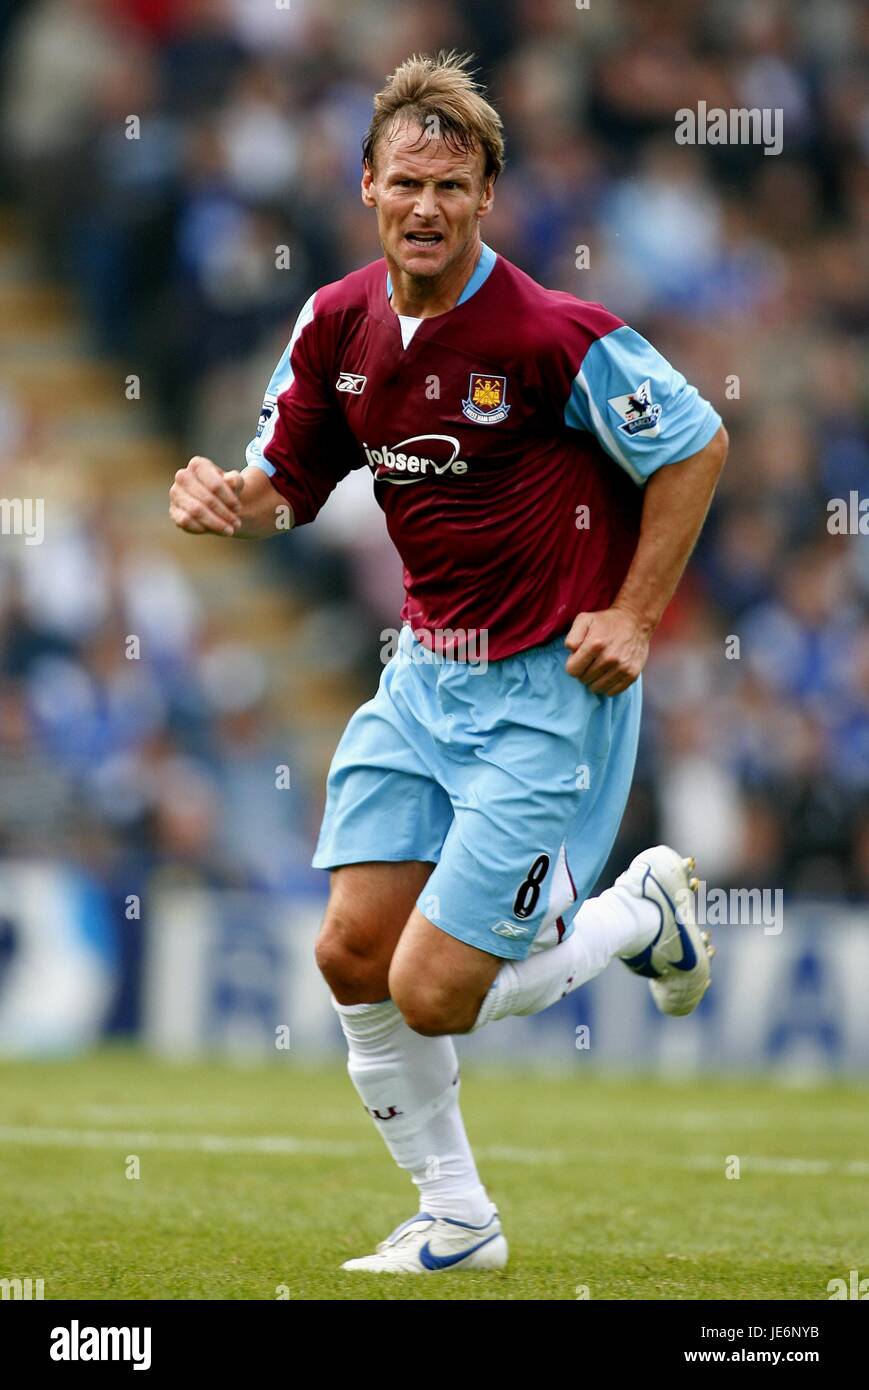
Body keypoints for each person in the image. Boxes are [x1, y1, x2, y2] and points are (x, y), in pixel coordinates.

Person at [170, 51, 728, 1275]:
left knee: (432, 989)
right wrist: (230, 499)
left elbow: (692, 443)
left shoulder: (548, 332)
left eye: (455, 184)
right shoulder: (336, 323)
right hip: (423, 675)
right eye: (406, 180)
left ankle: (637, 912)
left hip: (545, 690)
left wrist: (632, 615)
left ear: (488, 198)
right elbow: (286, 488)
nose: (427, 205)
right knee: (348, 952)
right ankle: (457, 1218)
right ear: (364, 185)